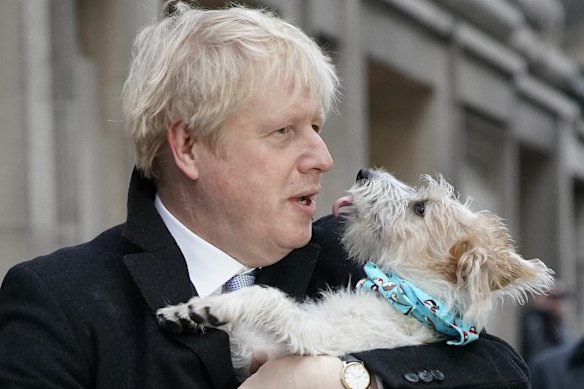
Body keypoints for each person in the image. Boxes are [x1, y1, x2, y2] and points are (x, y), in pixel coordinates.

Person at [0, 2, 530, 388]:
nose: (322, 157)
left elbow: (501, 371)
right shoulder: (57, 301)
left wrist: (349, 378)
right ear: (187, 147)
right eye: (283, 132)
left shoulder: (354, 258)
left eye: (318, 126)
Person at [519, 283, 570, 366]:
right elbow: (535, 344)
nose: (556, 303)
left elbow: (564, 343)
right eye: (552, 298)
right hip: (537, 366)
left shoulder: (557, 321)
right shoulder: (534, 318)